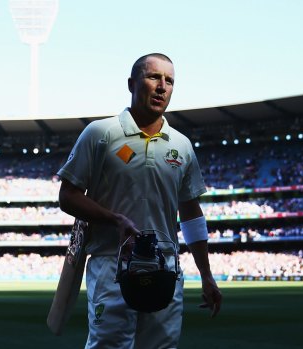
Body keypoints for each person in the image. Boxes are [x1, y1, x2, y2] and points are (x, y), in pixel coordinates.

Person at [57, 53, 222, 348]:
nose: (162, 86)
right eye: (153, 77)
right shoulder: (100, 134)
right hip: (112, 265)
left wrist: (207, 275)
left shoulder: (182, 145)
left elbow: (192, 213)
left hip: (165, 268)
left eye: (169, 81)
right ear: (131, 83)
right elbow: (67, 196)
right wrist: (114, 219)